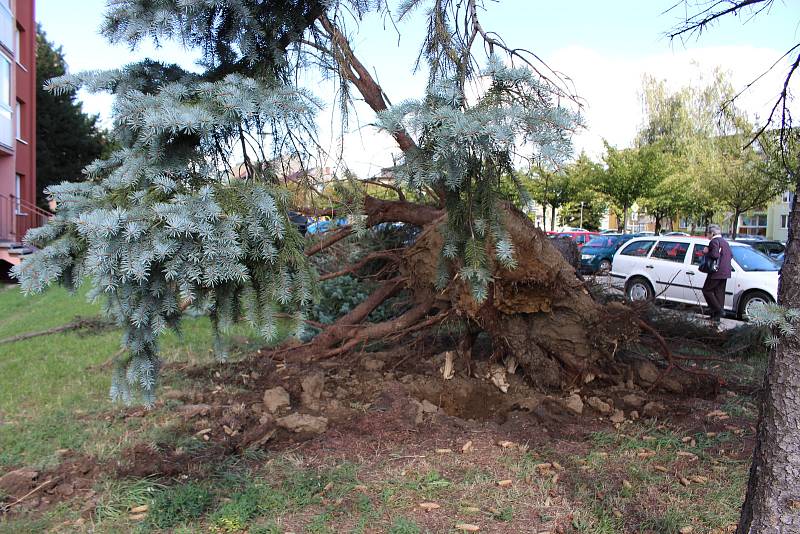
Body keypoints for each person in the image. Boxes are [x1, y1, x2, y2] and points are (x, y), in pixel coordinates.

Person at [701, 224, 732, 323]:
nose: (707, 236)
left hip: (716, 272)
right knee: (719, 293)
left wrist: (706, 251)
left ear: (712, 233)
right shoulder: (725, 242)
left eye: (708, 234)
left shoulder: (714, 241)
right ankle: (716, 317)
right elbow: (731, 255)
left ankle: (719, 310)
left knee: (707, 290)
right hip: (725, 272)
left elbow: (714, 255)